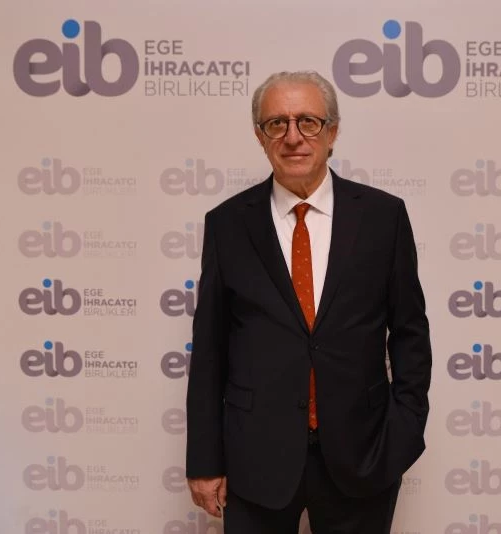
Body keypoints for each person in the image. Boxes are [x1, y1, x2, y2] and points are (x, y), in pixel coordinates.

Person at [185, 70, 432, 534]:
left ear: (332, 132)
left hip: (363, 455)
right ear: (260, 136)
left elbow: (410, 334)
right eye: (276, 123)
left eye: (308, 122)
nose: (293, 136)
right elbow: (211, 351)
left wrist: (403, 433)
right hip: (255, 458)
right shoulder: (227, 224)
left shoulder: (383, 217)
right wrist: (204, 460)